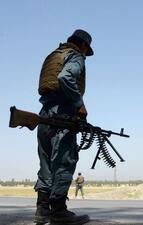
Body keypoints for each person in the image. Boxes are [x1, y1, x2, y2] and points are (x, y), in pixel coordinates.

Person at [34, 29, 93, 225]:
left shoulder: (54, 55)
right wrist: (79, 104)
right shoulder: (75, 56)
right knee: (64, 161)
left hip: (45, 114)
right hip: (63, 114)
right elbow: (66, 77)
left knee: (46, 162)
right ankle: (58, 211)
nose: (86, 54)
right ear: (83, 45)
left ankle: (42, 209)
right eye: (86, 50)